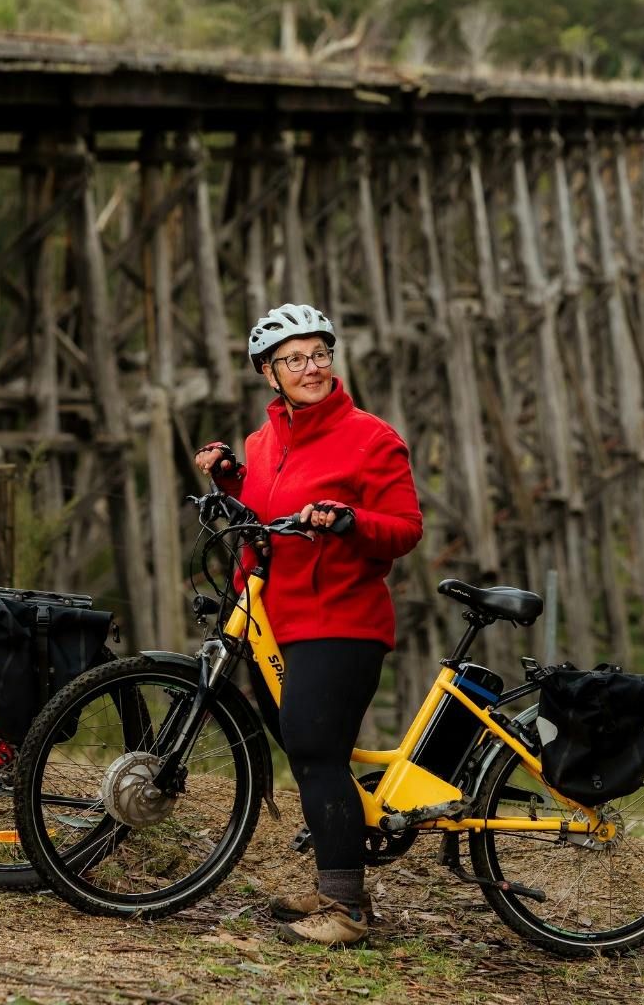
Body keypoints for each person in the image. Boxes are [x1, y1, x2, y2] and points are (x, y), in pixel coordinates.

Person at [195, 303, 422, 948]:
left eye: (320, 354)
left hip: (341, 620)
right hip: (273, 616)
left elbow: (405, 529)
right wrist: (232, 479)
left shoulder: (372, 438)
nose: (311, 368)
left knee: (316, 751)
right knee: (304, 750)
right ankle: (332, 882)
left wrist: (348, 519)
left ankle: (345, 909)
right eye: (294, 359)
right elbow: (264, 520)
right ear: (270, 374)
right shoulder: (263, 443)